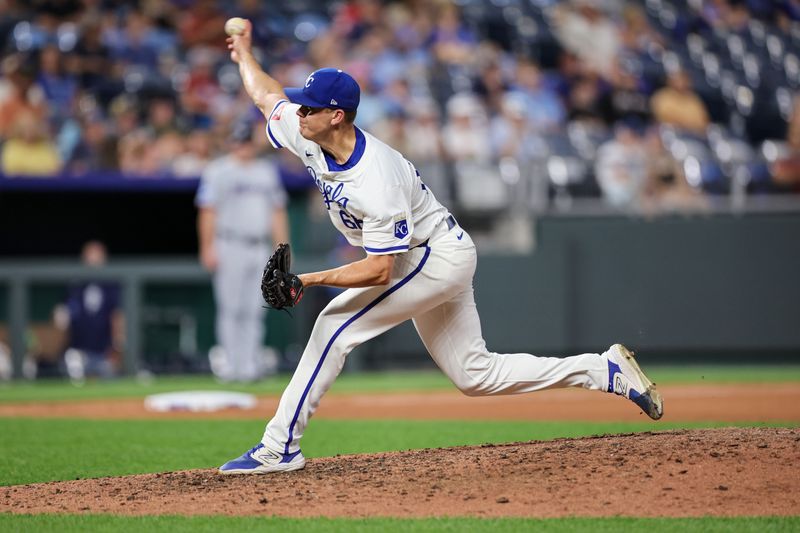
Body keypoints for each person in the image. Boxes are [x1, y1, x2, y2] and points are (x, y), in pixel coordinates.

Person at [218, 20, 663, 475]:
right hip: (430, 251)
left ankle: (278, 447)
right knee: (475, 375)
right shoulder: (305, 131)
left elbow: (378, 272)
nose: (298, 112)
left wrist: (308, 281)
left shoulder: (377, 178)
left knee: (332, 326)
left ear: (336, 116)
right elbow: (266, 95)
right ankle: (601, 370)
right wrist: (245, 54)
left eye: (309, 107)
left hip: (432, 256)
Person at [196, 121, 289, 382]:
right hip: (230, 243)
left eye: (246, 141)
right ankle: (230, 365)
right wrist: (207, 246)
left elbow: (277, 212)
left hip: (259, 246)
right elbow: (207, 211)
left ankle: (249, 366)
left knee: (254, 309)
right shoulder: (218, 170)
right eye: (238, 141)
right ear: (231, 143)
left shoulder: (265, 171)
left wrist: (281, 251)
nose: (242, 146)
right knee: (230, 308)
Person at [54, 241, 124, 382]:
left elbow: (117, 317)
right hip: (78, 351)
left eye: (96, 257)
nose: (92, 261)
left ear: (103, 259)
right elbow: (61, 319)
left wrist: (117, 347)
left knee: (111, 381)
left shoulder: (112, 286)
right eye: (89, 257)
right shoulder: (75, 285)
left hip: (104, 352)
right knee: (71, 375)